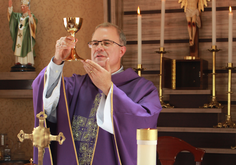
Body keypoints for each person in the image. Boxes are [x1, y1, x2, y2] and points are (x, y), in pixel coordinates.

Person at [32, 22, 162, 165]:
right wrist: (57, 61)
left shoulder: (143, 88)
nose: (99, 47)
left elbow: (143, 124)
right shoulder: (75, 85)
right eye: (94, 43)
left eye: (106, 43)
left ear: (122, 51)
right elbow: (44, 102)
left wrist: (108, 88)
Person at [7, 0, 37, 71]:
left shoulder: (30, 15)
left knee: (27, 48)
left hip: (26, 38)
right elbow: (11, 16)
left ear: (27, 7)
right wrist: (10, 5)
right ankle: (19, 62)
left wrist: (30, 16)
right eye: (21, 6)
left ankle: (28, 62)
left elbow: (33, 24)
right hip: (19, 38)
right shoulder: (18, 16)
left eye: (24, 6)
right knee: (18, 48)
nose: (22, 8)